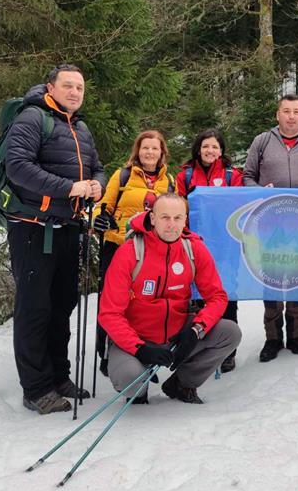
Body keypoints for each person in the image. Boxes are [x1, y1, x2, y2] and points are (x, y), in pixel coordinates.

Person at [4, 64, 105, 415]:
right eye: (68, 86)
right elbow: (16, 166)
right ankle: (35, 388)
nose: (75, 92)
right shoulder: (33, 118)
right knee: (34, 309)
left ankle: (58, 376)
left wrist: (97, 185)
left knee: (63, 305)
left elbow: (97, 167)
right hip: (33, 228)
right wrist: (68, 188)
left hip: (69, 228)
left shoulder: (80, 127)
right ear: (51, 87)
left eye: (80, 87)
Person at [98, 194, 242, 404]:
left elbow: (217, 297)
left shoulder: (193, 248)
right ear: (153, 218)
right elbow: (109, 313)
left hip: (177, 333)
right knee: (130, 377)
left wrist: (196, 330)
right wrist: (140, 348)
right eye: (165, 217)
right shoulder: (130, 251)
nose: (171, 225)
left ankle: (181, 384)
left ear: (185, 220)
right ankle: (139, 388)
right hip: (137, 336)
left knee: (229, 333)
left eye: (177, 218)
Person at [243, 94, 298, 362]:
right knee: (270, 279)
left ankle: (296, 336)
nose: (291, 116)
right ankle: (272, 338)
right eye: (286, 111)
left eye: (296, 111)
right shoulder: (262, 141)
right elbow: (246, 177)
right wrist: (260, 191)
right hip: (269, 224)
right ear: (277, 115)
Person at [93, 130, 174, 375]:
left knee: (142, 302)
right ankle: (107, 353)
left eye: (154, 148)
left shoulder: (169, 181)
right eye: (145, 147)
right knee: (111, 301)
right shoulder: (124, 175)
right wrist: (99, 220)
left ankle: (139, 347)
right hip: (119, 246)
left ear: (162, 152)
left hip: (152, 250)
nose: (149, 152)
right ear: (137, 151)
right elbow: (102, 207)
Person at [175, 128, 243, 373]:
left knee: (226, 295)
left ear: (221, 150)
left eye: (215, 147)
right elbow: (177, 206)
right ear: (198, 149)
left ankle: (228, 352)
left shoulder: (231, 175)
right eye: (206, 146)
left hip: (225, 246)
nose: (210, 151)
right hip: (195, 245)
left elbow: (239, 206)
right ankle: (198, 347)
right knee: (196, 297)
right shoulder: (185, 175)